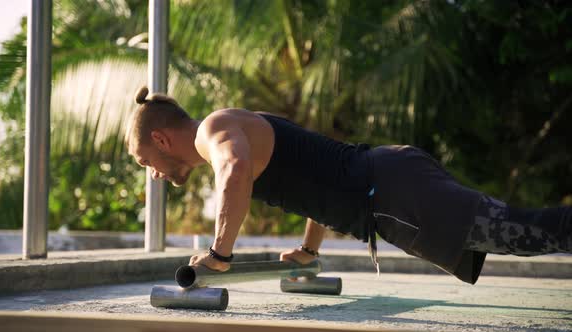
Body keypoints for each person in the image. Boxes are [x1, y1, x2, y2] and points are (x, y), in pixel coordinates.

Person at [125, 87, 571, 284]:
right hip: (393, 181)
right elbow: (311, 177)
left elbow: (235, 172)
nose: (155, 173)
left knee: (527, 232)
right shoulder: (233, 127)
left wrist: (220, 254)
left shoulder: (214, 131)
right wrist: (309, 249)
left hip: (393, 188)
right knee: (522, 233)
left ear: (162, 139)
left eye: (148, 161)